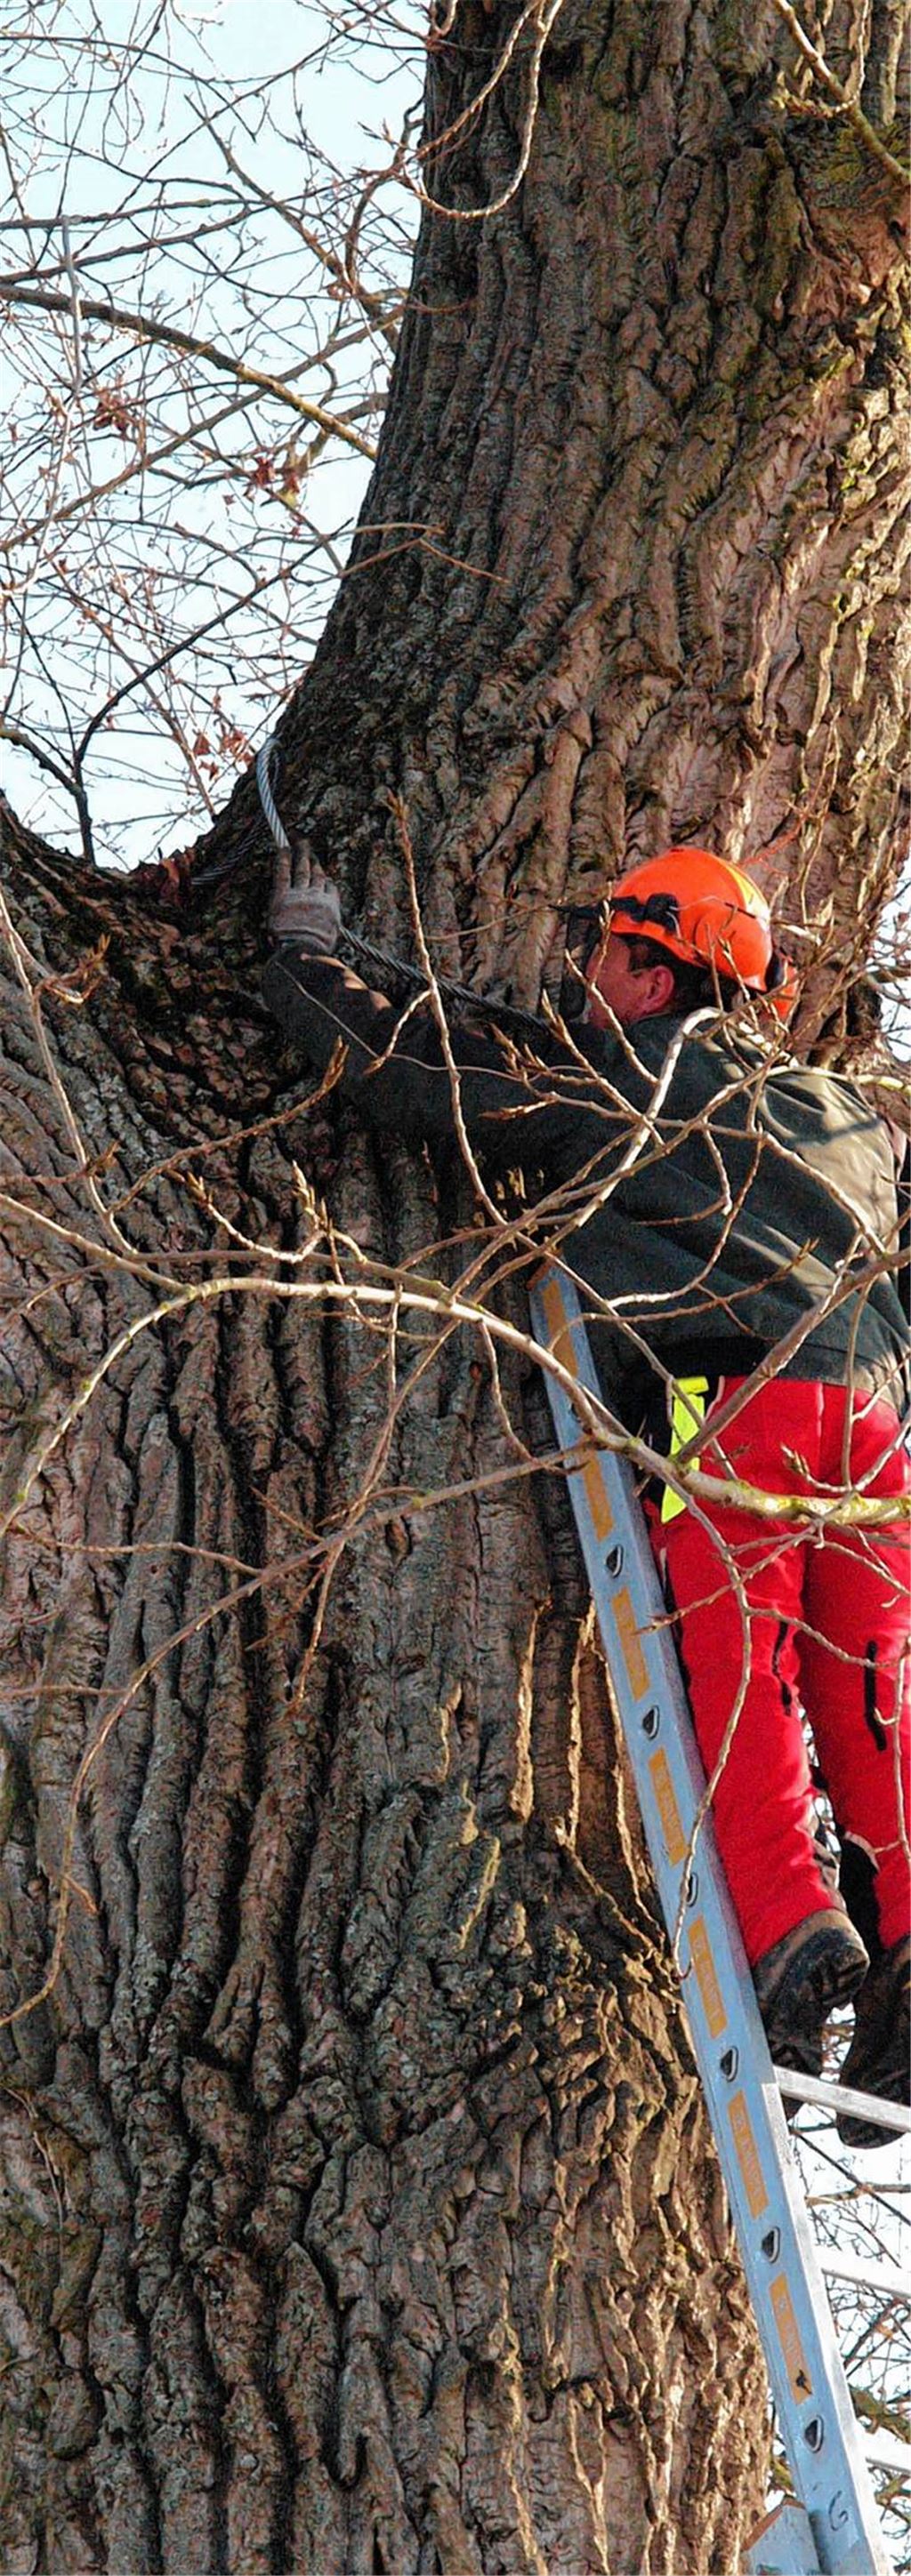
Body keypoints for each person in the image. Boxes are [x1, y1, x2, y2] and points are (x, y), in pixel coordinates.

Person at [263, 846, 910, 2146]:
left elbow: (419, 1064)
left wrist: (305, 948)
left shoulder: (633, 1065)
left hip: (748, 1395)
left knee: (742, 1669)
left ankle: (794, 1934)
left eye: (605, 953)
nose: (585, 978)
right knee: (874, 1691)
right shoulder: (846, 1116)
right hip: (882, 1424)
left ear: (652, 965)